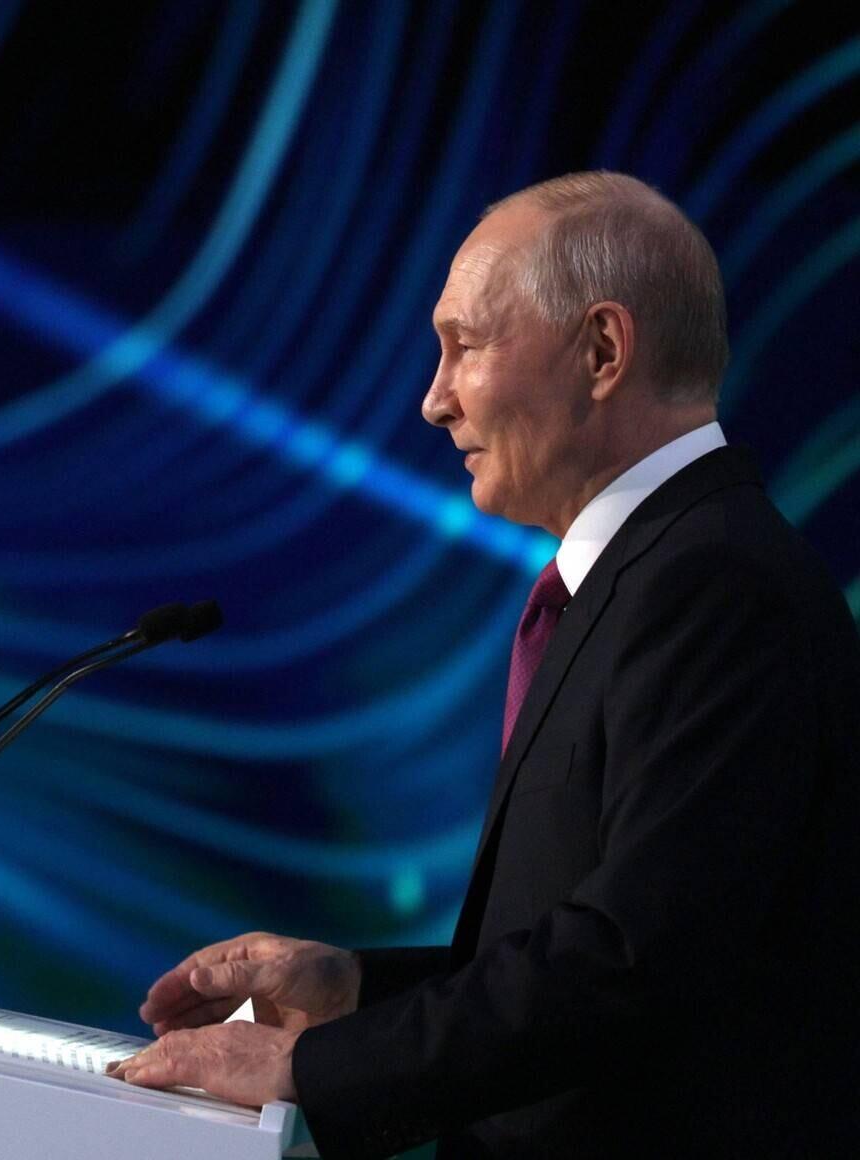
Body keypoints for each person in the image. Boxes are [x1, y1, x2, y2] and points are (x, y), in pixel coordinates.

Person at [108, 171, 860, 1157]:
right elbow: (585, 946)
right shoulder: (650, 576)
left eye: (464, 345)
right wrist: (354, 990)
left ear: (601, 351)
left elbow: (632, 962)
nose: (432, 400)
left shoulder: (714, 586)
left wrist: (311, 1068)